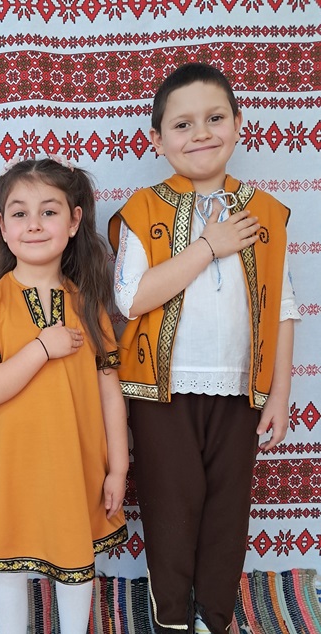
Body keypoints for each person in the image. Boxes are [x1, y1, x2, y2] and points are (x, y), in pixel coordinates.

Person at [109, 63, 299, 634]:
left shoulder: (266, 213)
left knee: (227, 511)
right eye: (182, 124)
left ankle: (214, 618)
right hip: (160, 391)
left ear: (238, 124)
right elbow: (132, 300)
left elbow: (281, 306)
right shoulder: (143, 208)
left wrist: (279, 393)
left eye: (215, 118)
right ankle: (172, 618)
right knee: (172, 506)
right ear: (157, 139)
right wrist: (208, 247)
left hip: (240, 389)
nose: (200, 134)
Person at [0, 157, 129, 633]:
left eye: (49, 212)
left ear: (74, 221)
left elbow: (110, 393)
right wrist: (40, 348)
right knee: (6, 565)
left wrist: (118, 467)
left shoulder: (88, 303)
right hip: (13, 467)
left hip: (76, 465)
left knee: (75, 562)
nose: (34, 224)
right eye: (20, 213)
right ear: (3, 226)